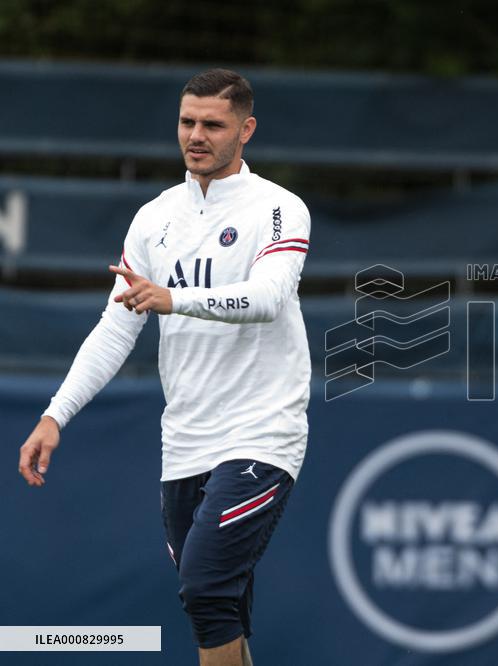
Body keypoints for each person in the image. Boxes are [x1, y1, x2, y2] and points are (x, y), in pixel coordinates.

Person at [17, 69, 311, 666]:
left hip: (261, 433)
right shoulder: (155, 218)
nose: (196, 135)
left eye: (212, 124)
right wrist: (55, 414)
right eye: (187, 122)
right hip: (183, 443)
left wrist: (173, 298)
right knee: (219, 613)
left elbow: (268, 298)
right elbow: (114, 329)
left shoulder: (279, 209)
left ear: (246, 130)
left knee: (204, 588)